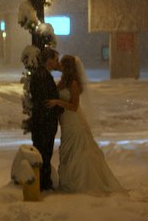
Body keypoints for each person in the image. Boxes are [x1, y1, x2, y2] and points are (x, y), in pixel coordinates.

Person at [46, 55, 126, 195]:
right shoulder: (62, 81)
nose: (59, 65)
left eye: (62, 64)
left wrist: (57, 102)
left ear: (68, 67)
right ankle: (69, 181)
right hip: (65, 122)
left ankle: (80, 182)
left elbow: (74, 106)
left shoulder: (73, 84)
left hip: (73, 121)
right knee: (67, 149)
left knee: (78, 151)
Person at [30, 47, 63, 191]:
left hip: (42, 122)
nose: (57, 63)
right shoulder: (43, 76)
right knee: (44, 153)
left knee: (44, 153)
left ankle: (44, 182)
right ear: (49, 60)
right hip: (44, 123)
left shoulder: (41, 74)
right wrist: (59, 107)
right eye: (55, 60)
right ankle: (43, 184)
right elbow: (46, 101)